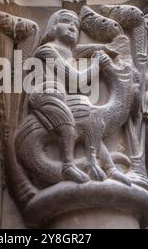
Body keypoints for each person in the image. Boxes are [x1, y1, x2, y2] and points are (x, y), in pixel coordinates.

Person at [28, 10, 109, 183]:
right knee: (68, 122)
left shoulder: (68, 53)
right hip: (45, 94)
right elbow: (74, 79)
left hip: (60, 96)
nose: (72, 26)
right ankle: (67, 165)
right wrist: (96, 65)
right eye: (66, 21)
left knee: (93, 116)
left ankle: (100, 164)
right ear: (53, 26)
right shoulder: (47, 50)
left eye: (76, 25)